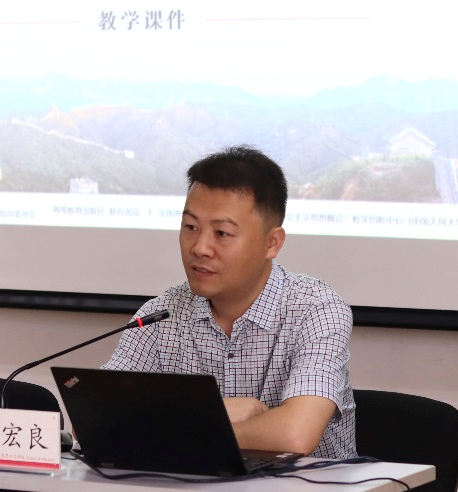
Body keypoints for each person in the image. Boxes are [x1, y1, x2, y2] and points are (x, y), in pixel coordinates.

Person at [103, 145, 356, 459]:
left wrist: (180, 425)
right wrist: (223, 413)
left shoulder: (316, 310)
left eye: (222, 233)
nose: (200, 247)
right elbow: (97, 416)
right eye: (191, 227)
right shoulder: (161, 315)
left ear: (272, 242)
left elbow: (296, 434)